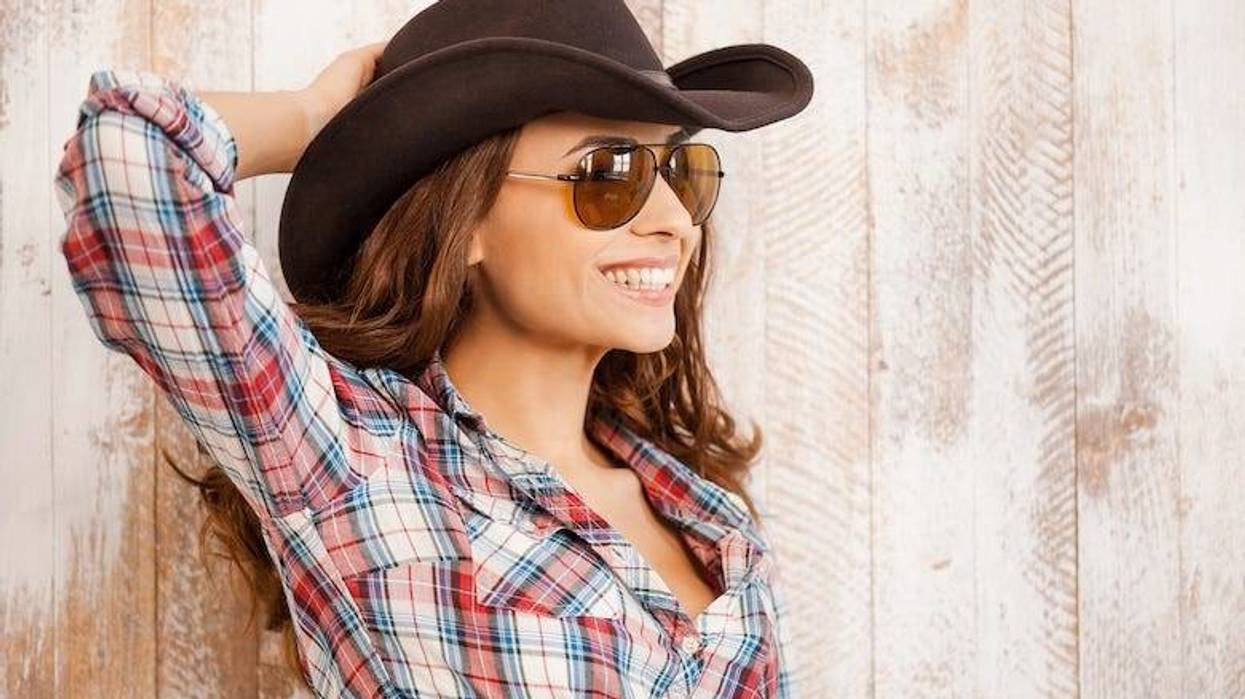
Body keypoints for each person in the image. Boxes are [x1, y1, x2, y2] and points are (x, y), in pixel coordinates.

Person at [53, 1, 814, 696]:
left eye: (680, 171)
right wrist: (312, 116)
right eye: (607, 175)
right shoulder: (351, 462)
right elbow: (130, 155)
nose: (673, 219)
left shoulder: (711, 519)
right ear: (467, 220)